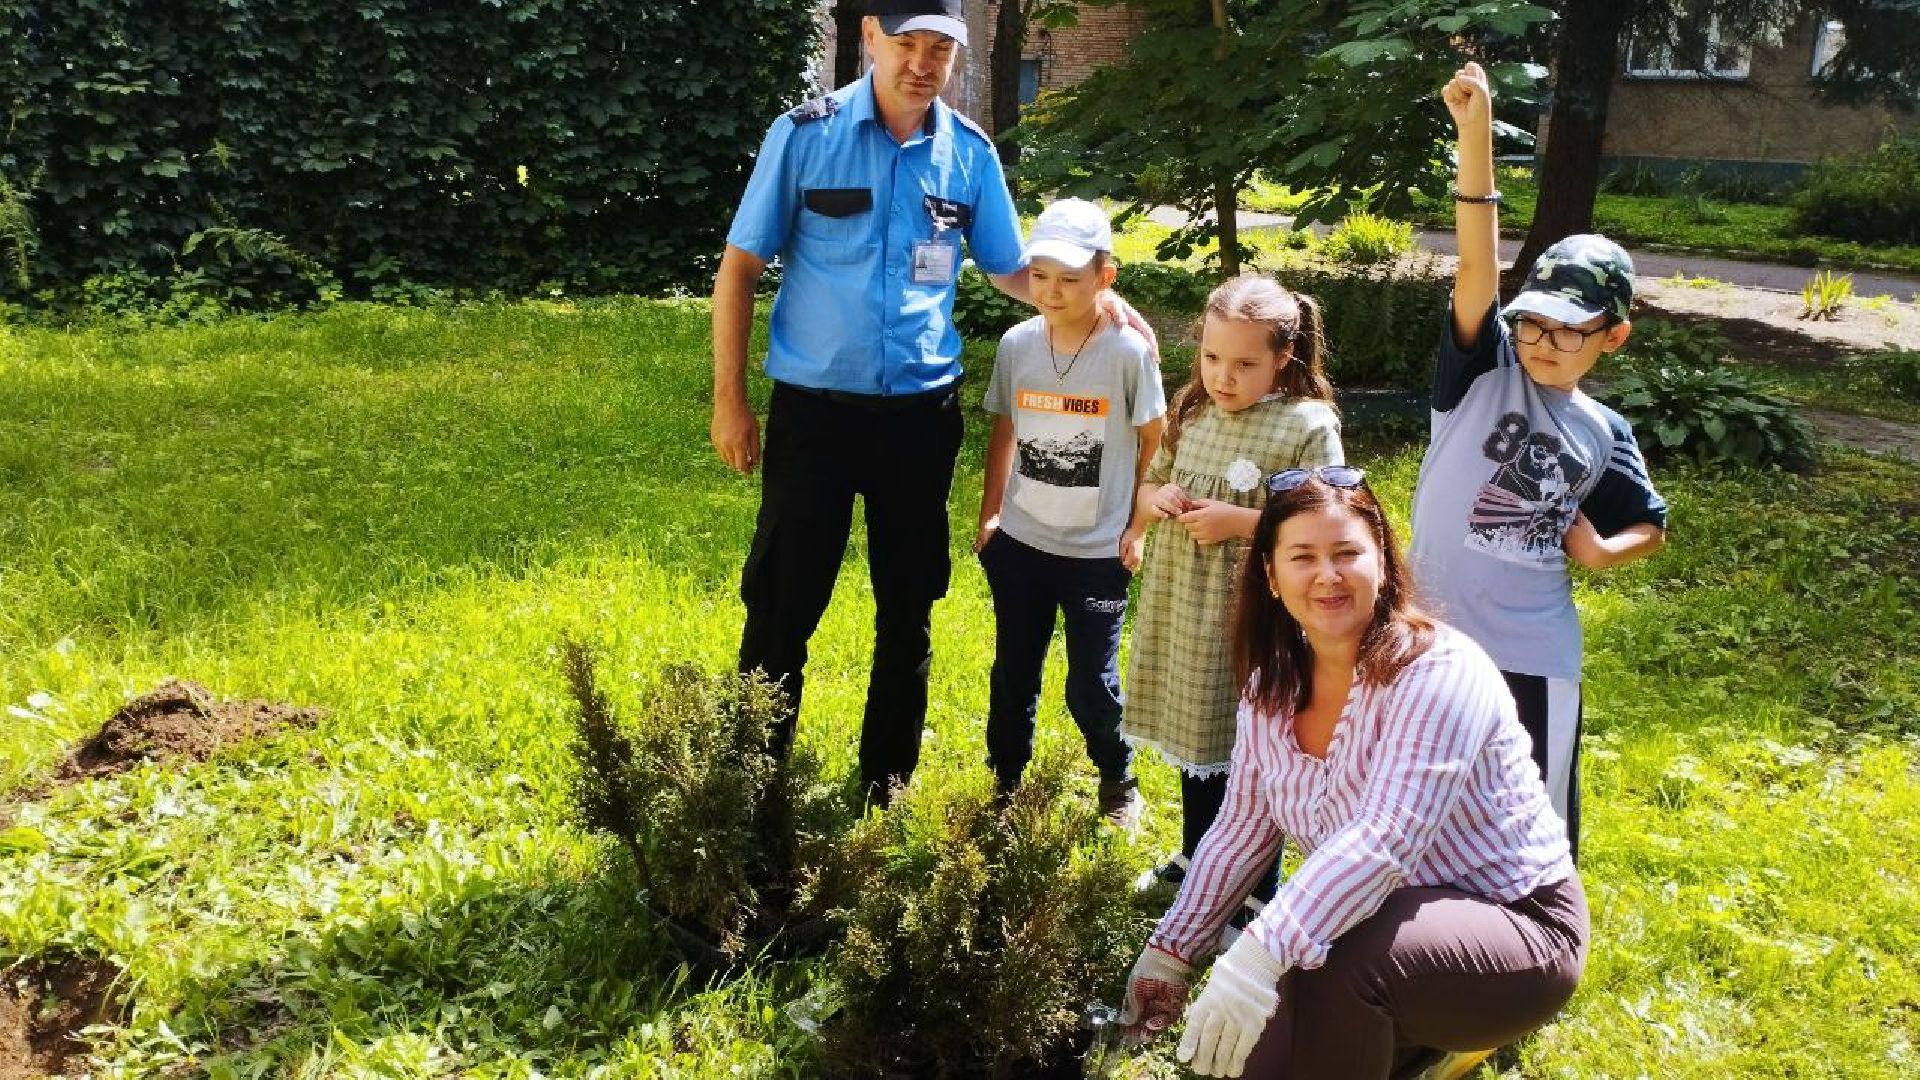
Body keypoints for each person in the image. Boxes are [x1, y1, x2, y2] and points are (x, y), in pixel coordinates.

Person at [710, 2, 1152, 806]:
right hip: (814, 414)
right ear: (870, 37)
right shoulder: (805, 136)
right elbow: (739, 267)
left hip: (920, 418)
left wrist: (1091, 303)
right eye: (906, 44)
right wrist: (731, 401)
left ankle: (887, 784)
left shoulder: (969, 155)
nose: (922, 63)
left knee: (909, 603)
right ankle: (751, 780)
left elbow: (1010, 269)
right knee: (783, 598)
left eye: (939, 49)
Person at [1119, 468, 1587, 1079]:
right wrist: (1171, 954)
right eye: (1302, 556)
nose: (1327, 576)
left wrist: (1259, 953)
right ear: (1270, 574)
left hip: (1518, 925)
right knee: (1257, 1056)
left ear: (1385, 563)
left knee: (1327, 964)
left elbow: (1385, 839)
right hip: (1381, 922)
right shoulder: (1270, 687)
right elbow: (1239, 833)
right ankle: (1408, 1047)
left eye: (1347, 554)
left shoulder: (1439, 671)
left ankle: (1423, 1033)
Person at [1410, 62, 1668, 859]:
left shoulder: (1604, 431)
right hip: (1430, 638)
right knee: (1423, 802)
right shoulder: (1481, 374)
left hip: (1535, 654)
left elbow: (1649, 526)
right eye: (1533, 325)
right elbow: (1477, 267)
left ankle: (1538, 959)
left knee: (1535, 825)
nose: (1543, 344)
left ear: (1612, 336)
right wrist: (1476, 134)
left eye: (1569, 330)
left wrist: (1596, 547)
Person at [1123, 275, 1341, 894]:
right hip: (1183, 608)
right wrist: (1155, 497)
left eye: (1246, 363)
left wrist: (1240, 522)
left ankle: (1252, 887)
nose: (1224, 376)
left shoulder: (1305, 425)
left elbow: (1324, 519)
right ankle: (1198, 856)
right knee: (1196, 737)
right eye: (1212, 357)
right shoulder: (1193, 410)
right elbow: (1148, 483)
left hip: (1254, 616)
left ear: (1283, 359)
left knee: (1248, 749)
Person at [974, 198, 1166, 827]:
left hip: (1097, 554)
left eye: (1071, 278)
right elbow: (1004, 429)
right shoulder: (1016, 344)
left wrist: (1136, 526)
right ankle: (1003, 783)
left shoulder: (1126, 353)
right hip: (1022, 547)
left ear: (1105, 277)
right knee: (1013, 676)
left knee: (1091, 685)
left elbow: (1153, 439)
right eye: (1041, 276)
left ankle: (1117, 780)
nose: (1052, 292)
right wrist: (990, 516)